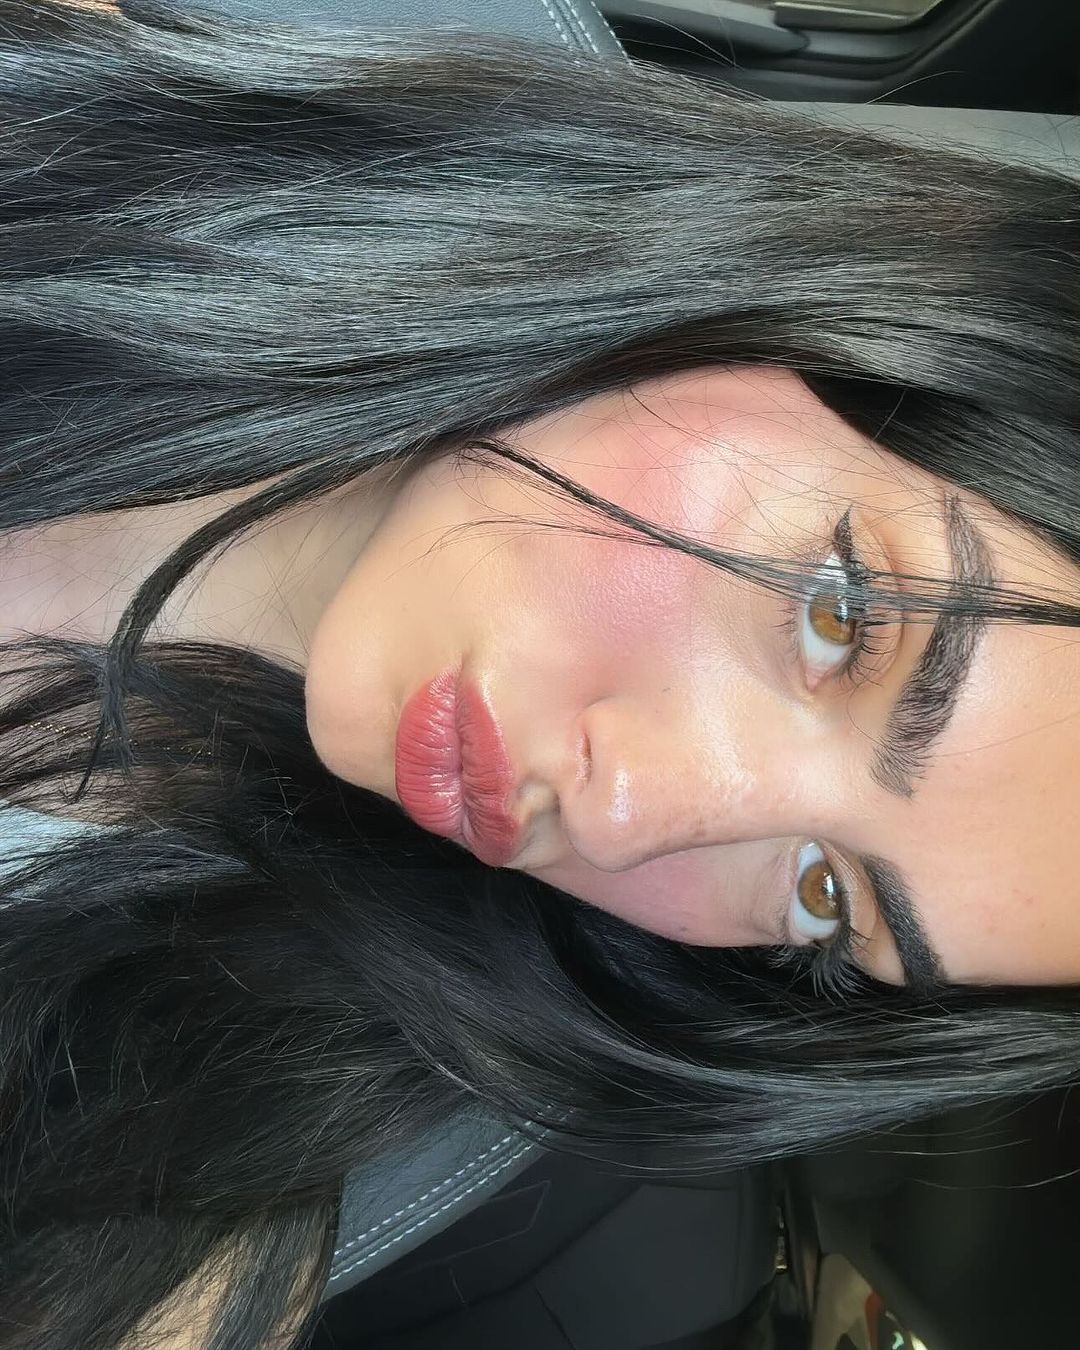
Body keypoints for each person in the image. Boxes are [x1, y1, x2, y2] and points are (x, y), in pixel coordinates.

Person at [0, 1, 1078, 1347]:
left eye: (823, 893)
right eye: (843, 617)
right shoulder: (68, 94)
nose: (628, 818)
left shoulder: (148, 1183)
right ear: (835, 316)